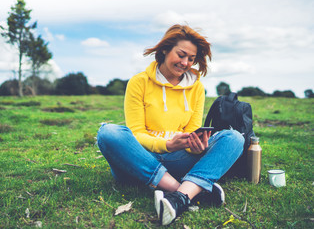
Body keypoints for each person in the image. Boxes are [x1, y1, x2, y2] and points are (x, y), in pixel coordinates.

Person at [97, 24, 244, 226]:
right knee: (108, 132)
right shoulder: (138, 82)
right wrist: (166, 145)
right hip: (141, 158)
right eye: (181, 55)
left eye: (191, 59)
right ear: (165, 49)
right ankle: (184, 193)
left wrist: (195, 146)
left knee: (234, 138)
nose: (185, 63)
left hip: (178, 160)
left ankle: (175, 196)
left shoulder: (196, 88)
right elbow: (137, 133)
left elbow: (192, 131)